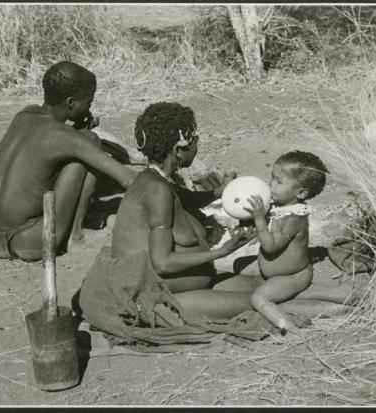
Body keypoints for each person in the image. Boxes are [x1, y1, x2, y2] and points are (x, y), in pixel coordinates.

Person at [108, 102, 262, 320]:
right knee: (264, 300)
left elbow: (189, 198)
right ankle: (329, 309)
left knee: (267, 286)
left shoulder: (157, 179)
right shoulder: (157, 190)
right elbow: (161, 263)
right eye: (195, 141)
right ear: (178, 149)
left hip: (187, 285)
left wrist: (220, 192)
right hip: (161, 296)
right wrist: (223, 251)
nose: (197, 146)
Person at [0, 61, 138, 261]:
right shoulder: (65, 138)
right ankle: (76, 236)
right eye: (88, 101)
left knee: (83, 143)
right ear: (71, 103)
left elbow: (49, 144)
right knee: (91, 141)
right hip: (34, 240)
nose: (90, 106)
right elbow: (128, 179)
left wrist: (77, 131)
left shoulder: (24, 115)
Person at [244, 151, 329, 334]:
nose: (271, 184)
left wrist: (259, 218)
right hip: (275, 273)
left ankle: (287, 327)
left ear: (301, 192)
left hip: (293, 275)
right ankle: (289, 295)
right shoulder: (281, 206)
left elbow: (270, 245)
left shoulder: (294, 218)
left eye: (278, 181)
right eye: (272, 178)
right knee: (238, 265)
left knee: (259, 298)